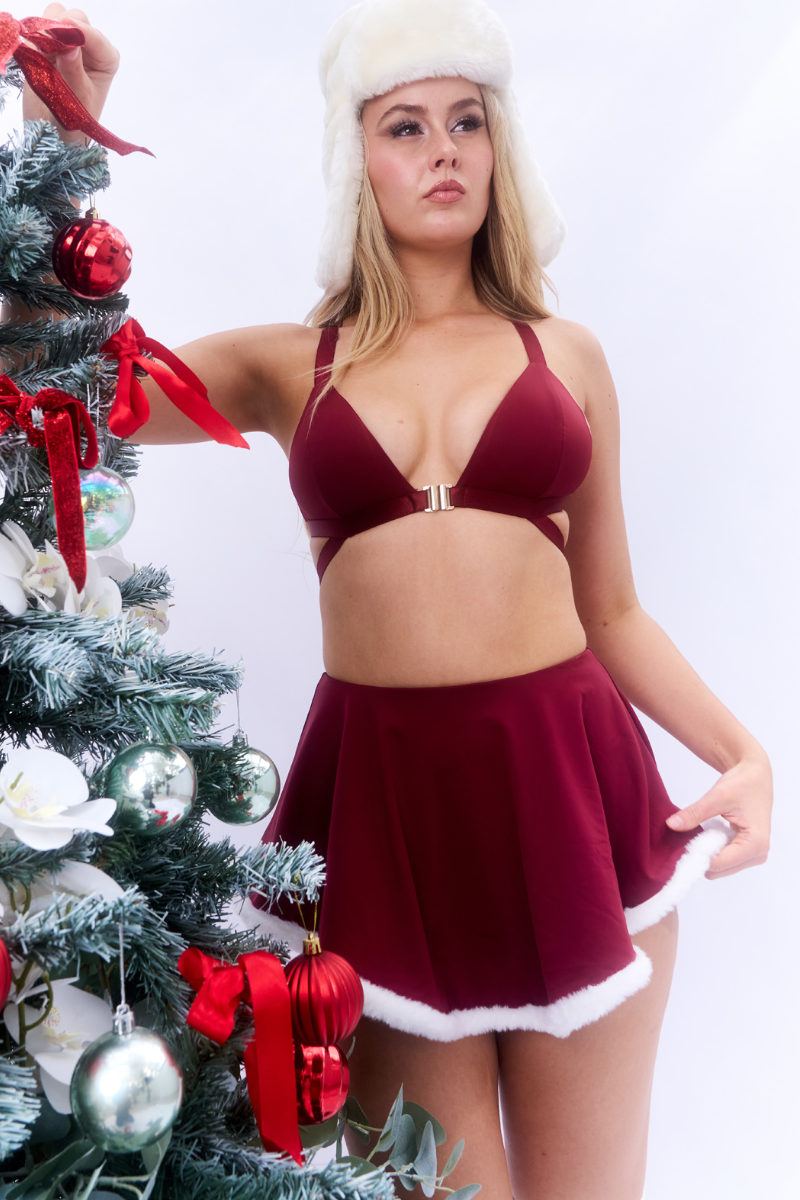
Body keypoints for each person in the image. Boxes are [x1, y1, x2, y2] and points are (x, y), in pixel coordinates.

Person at [12, 3, 773, 1198]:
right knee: (429, 1186)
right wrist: (69, 133)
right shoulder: (287, 362)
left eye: (467, 121)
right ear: (354, 160)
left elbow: (613, 610)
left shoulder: (564, 354)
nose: (443, 151)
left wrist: (742, 754)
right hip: (384, 818)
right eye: (405, 126)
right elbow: (50, 384)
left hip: (570, 798)